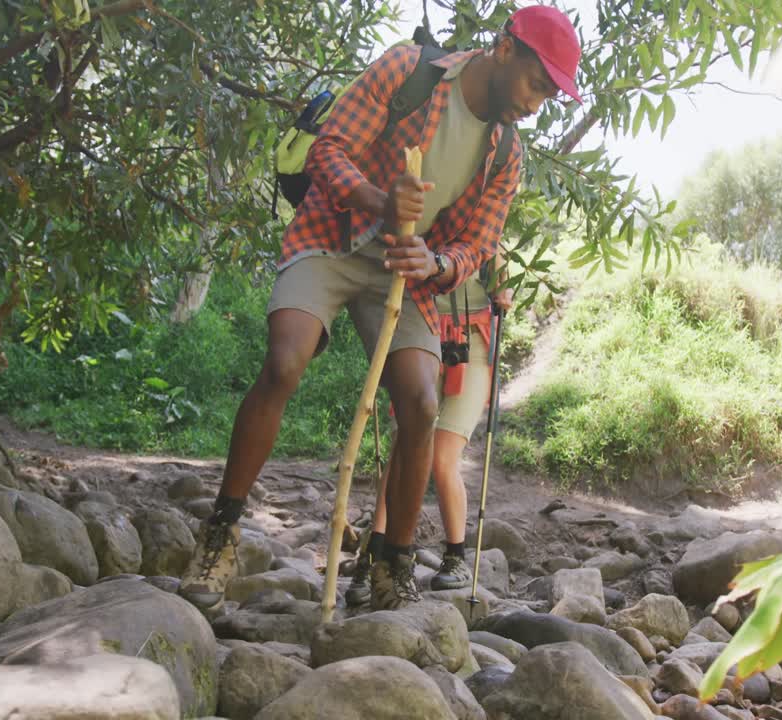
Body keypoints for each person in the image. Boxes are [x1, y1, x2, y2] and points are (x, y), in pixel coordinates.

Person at [177, 5, 582, 612]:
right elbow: (329, 149)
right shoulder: (409, 70)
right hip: (333, 233)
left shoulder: (507, 153)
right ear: (504, 50)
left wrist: (437, 264)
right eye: (536, 83)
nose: (536, 102)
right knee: (286, 361)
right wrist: (378, 199)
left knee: (421, 404)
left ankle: (392, 561)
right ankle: (221, 533)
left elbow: (477, 242)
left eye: (550, 95)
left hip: (405, 269)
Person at [345, 252, 512, 606]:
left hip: (473, 347)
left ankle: (456, 556)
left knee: (443, 455)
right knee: (404, 445)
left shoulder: (486, 236)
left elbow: (503, 293)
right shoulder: (418, 230)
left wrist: (502, 283)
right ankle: (374, 553)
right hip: (421, 339)